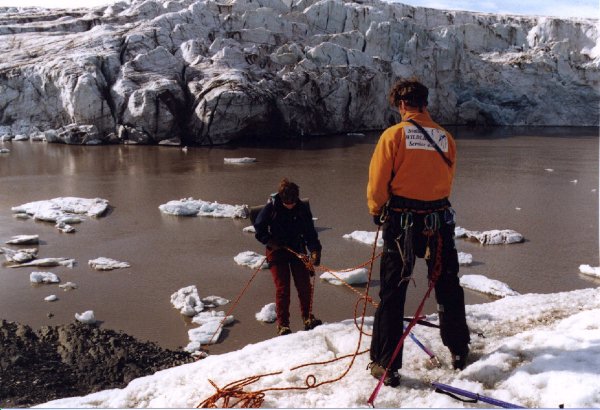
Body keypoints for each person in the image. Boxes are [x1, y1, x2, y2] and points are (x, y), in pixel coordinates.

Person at [366, 79, 470, 387]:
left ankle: (386, 364)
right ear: (425, 103)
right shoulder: (445, 138)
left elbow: (377, 183)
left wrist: (376, 210)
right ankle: (458, 349)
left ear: (401, 105)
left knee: (393, 290)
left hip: (402, 222)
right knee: (447, 284)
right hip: (438, 220)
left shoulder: (394, 135)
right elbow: (446, 180)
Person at [254, 178, 323, 336]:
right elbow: (259, 229)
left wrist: (315, 250)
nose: (290, 205)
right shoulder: (271, 208)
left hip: (297, 250)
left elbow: (310, 233)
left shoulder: (302, 209)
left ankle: (307, 318)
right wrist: (270, 241)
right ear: (281, 198)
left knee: (304, 285)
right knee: (283, 289)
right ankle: (283, 325)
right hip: (277, 251)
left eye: (292, 202)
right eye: (287, 202)